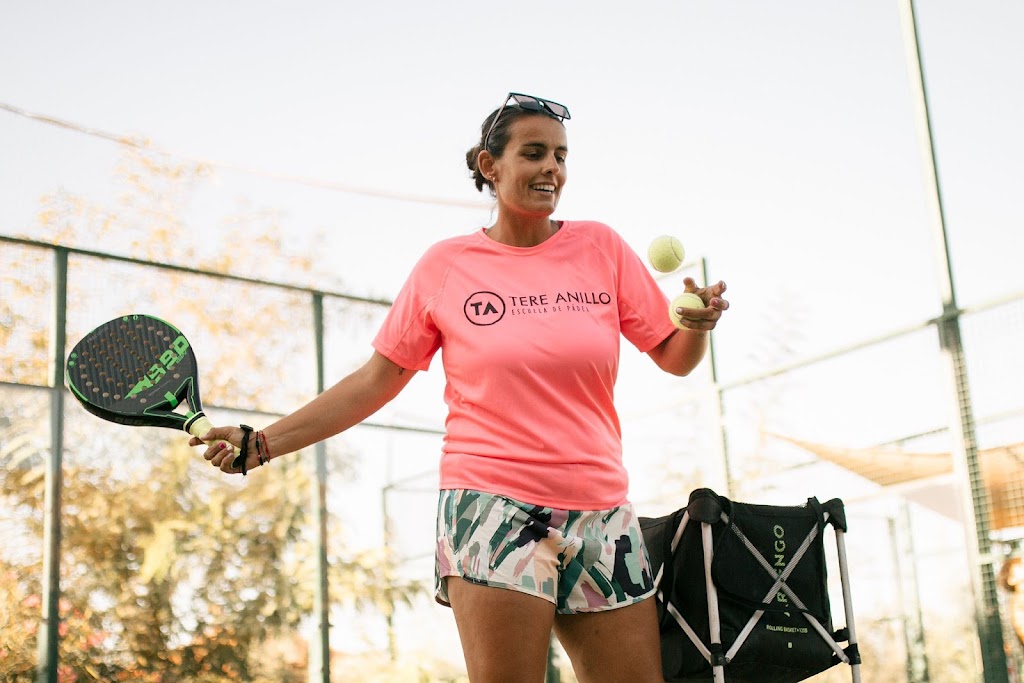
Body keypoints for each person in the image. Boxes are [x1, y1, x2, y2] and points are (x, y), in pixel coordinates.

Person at [193, 91, 729, 683]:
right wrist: (262, 442)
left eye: (561, 156)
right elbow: (374, 381)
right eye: (534, 153)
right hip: (492, 504)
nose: (552, 169)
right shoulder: (445, 266)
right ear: (488, 165)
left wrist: (697, 326)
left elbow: (675, 358)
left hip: (604, 509)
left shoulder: (601, 247)